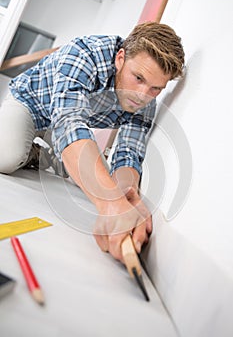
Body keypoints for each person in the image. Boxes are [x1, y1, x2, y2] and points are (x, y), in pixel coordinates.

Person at [0, 22, 184, 262]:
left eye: (155, 89)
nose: (143, 95)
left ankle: (49, 155)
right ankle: (35, 153)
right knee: (6, 157)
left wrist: (125, 193)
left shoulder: (146, 100)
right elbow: (69, 124)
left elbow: (128, 153)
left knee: (105, 180)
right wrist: (110, 204)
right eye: (138, 78)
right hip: (31, 106)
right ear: (120, 58)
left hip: (63, 129)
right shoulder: (85, 54)